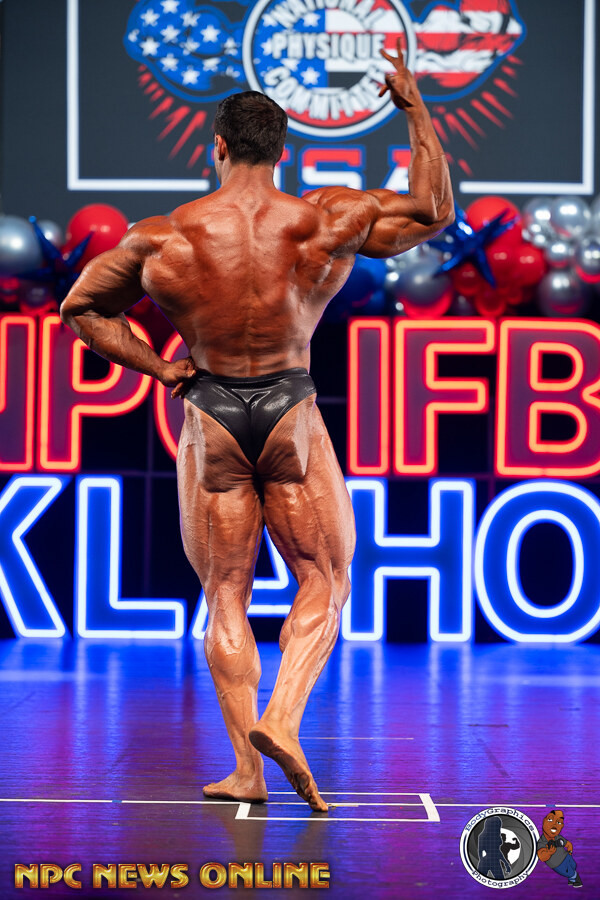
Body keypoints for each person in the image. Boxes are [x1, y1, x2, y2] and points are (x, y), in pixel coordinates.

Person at [60, 41, 454, 812]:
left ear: (216, 147)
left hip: (210, 409)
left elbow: (82, 309)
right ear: (283, 149)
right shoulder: (326, 218)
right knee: (325, 579)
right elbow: (433, 209)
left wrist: (161, 368)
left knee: (225, 594)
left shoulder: (163, 235)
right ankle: (283, 718)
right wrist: (414, 110)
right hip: (289, 409)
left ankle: (247, 768)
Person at [537, 810, 582, 888]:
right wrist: (549, 853)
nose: (554, 824)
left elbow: (568, 844)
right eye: (550, 819)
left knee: (573, 865)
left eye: (559, 822)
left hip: (566, 856)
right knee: (569, 873)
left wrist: (570, 852)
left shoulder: (558, 837)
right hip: (556, 864)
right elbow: (542, 857)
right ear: (544, 821)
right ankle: (576, 878)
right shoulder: (542, 842)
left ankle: (571, 879)